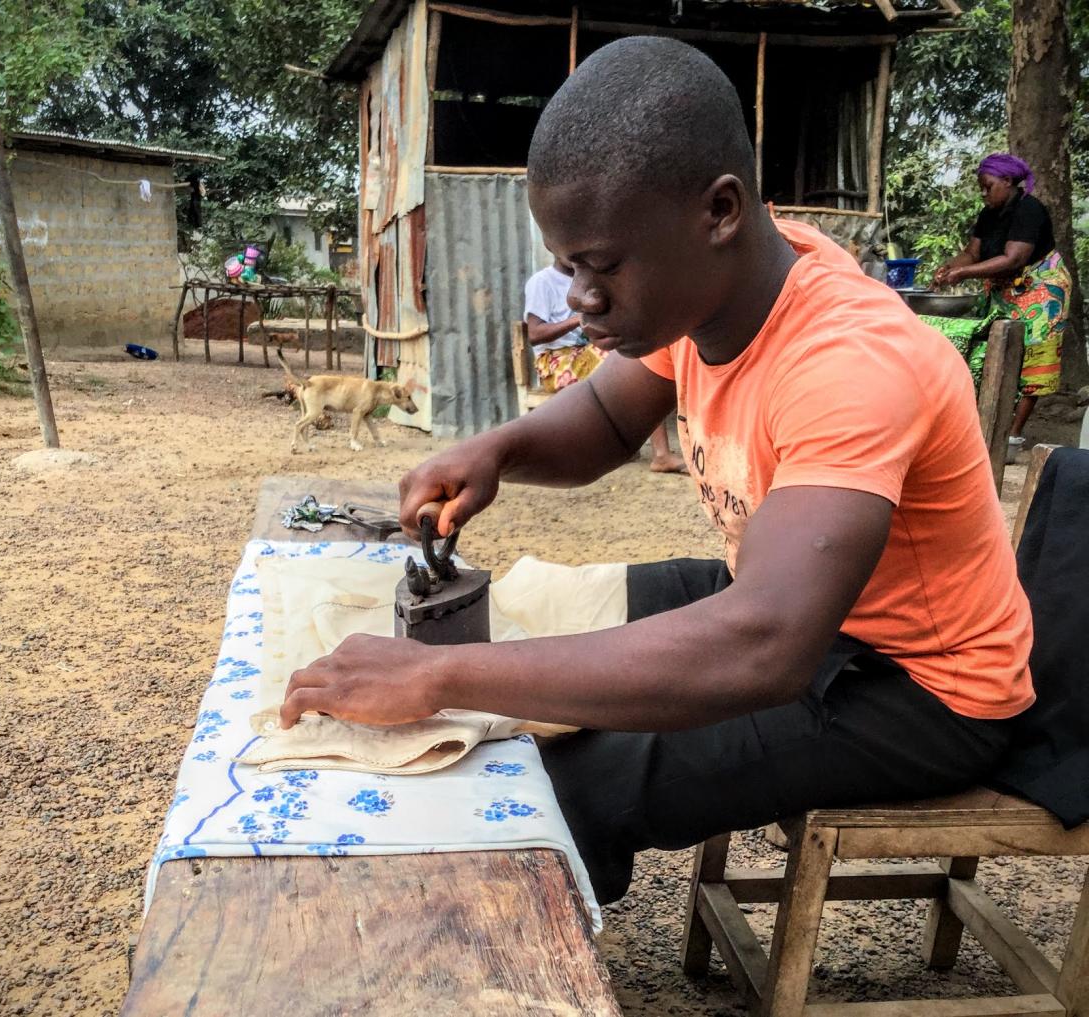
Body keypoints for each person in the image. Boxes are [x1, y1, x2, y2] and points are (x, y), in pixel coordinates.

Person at [279, 39, 1033, 906]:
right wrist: (497, 450)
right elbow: (604, 420)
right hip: (803, 607)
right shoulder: (712, 288)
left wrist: (439, 676)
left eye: (601, 268)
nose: (578, 300)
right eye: (568, 269)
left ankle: (518, 952)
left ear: (719, 211)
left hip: (920, 688)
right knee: (537, 623)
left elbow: (765, 645)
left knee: (567, 775)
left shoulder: (849, 362)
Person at [933, 154, 1072, 454]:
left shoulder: (1029, 210)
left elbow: (1015, 258)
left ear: (1007, 182)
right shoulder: (989, 214)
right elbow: (972, 253)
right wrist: (949, 267)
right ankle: (984, 425)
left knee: (1032, 361)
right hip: (1004, 289)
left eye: (988, 186)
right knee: (991, 350)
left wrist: (963, 273)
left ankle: (1011, 436)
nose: (983, 193)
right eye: (981, 188)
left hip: (1041, 288)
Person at [525, 258, 687, 473]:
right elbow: (534, 334)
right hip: (555, 362)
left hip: (586, 354)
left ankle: (653, 452)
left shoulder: (588, 280)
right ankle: (661, 455)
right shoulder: (542, 282)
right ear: (553, 248)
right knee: (630, 361)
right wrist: (578, 320)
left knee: (641, 355)